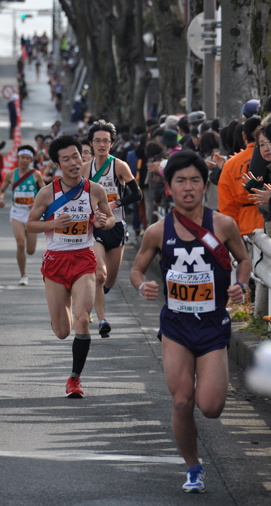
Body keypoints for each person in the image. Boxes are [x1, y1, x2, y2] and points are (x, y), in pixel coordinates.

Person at [130, 150, 251, 493]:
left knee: (210, 407)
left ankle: (204, 389)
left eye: (194, 180)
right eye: (180, 181)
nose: (188, 187)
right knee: (182, 401)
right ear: (168, 188)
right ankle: (193, 467)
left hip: (212, 325)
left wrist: (240, 284)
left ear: (204, 185)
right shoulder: (157, 231)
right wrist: (144, 286)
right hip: (177, 327)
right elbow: (136, 270)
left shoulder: (223, 224)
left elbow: (243, 261)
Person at [26, 135, 115, 397]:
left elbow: (110, 220)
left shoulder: (95, 190)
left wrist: (102, 222)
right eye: (66, 159)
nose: (74, 162)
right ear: (58, 164)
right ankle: (58, 313)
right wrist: (53, 224)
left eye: (76, 156)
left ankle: (74, 380)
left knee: (82, 322)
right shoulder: (47, 192)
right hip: (55, 262)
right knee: (62, 332)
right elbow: (31, 224)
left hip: (84, 259)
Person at [82, 119, 142, 338]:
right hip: (95, 228)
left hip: (116, 227)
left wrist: (114, 204)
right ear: (91, 143)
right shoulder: (85, 168)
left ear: (112, 144)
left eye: (105, 141)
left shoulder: (119, 166)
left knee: (110, 280)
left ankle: (96, 295)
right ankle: (102, 320)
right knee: (99, 275)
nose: (101, 145)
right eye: (97, 141)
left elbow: (137, 194)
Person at [0, 145, 45, 285]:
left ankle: (24, 268)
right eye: (22, 157)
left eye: (27, 158)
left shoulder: (36, 174)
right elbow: (1, 191)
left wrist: (36, 202)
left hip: (32, 214)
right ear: (18, 158)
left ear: (31, 160)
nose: (24, 160)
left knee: (30, 250)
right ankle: (23, 274)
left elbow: (44, 192)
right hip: (17, 212)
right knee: (20, 244)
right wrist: (1, 199)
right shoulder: (11, 174)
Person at [218, 116, 263, 236]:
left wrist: (233, 234)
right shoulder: (267, 157)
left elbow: (227, 205)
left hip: (246, 226)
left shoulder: (230, 164)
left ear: (244, 136)